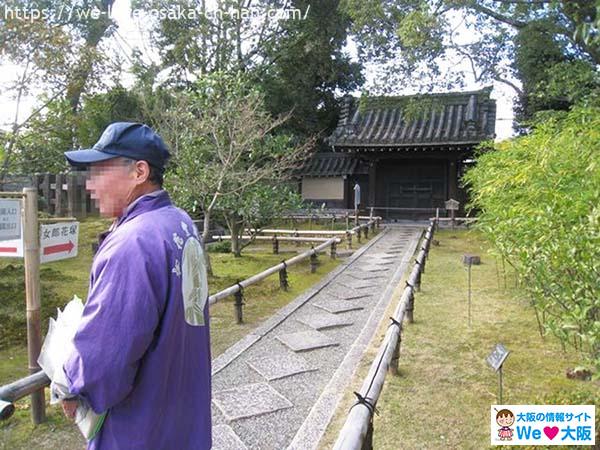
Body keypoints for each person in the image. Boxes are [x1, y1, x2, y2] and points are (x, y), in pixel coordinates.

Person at [57, 122, 211, 449]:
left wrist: (73, 387)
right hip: (182, 420)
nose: (91, 185)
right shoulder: (180, 222)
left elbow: (106, 355)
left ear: (139, 171)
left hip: (139, 430)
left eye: (99, 171)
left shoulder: (132, 242)